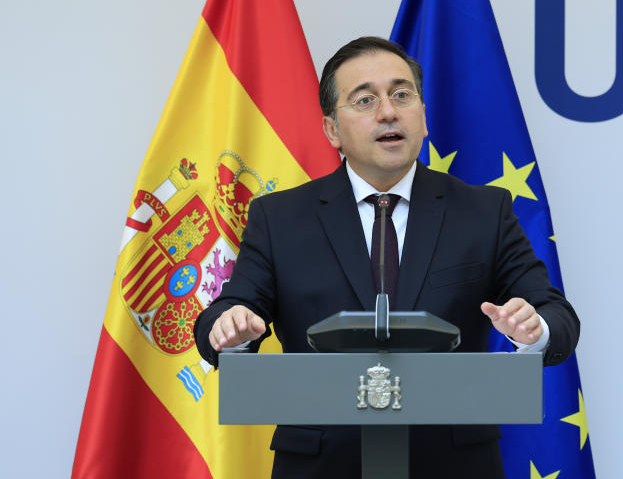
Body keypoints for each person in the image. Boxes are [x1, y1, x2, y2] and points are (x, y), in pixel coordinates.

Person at [194, 36, 579, 478]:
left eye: (402, 94)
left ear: (423, 116)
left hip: (454, 464)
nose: (389, 111)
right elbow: (224, 315)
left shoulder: (484, 212)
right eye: (365, 100)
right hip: (320, 465)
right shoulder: (280, 218)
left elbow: (557, 316)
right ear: (332, 131)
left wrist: (535, 328)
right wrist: (232, 327)